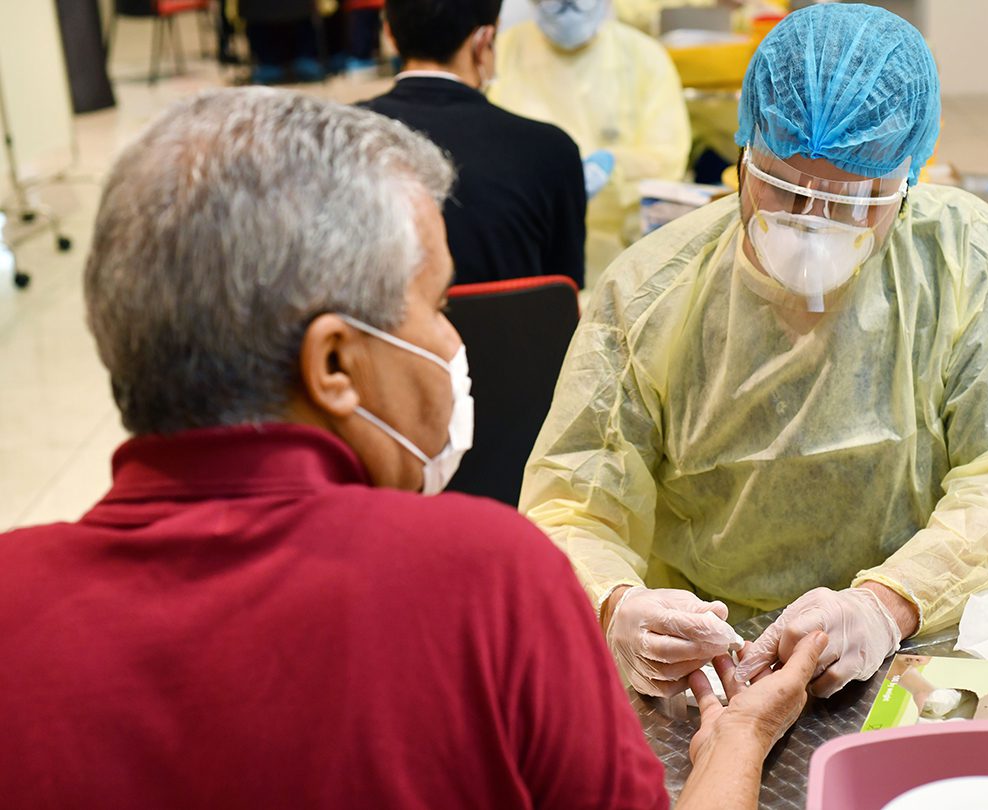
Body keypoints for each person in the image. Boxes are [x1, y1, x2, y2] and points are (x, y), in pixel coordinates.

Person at [0, 87, 820, 810]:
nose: (452, 340)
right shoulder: (482, 581)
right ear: (333, 366)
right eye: (433, 304)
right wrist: (738, 739)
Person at [521, 4, 988, 701]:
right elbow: (573, 503)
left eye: (851, 202)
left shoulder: (956, 255)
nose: (811, 227)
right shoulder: (652, 290)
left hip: (914, 641)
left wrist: (886, 601)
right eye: (780, 190)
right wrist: (617, 606)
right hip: (709, 665)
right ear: (743, 149)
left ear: (906, 179)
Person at [360, 0, 586, 288]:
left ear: (389, 34)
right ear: (484, 41)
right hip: (513, 333)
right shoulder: (552, 150)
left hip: (383, 333)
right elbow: (563, 294)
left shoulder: (340, 137)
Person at [490, 0, 691, 283]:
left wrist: (611, 167)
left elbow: (668, 157)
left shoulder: (644, 57)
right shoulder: (501, 54)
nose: (567, 7)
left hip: (623, 260)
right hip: (524, 256)